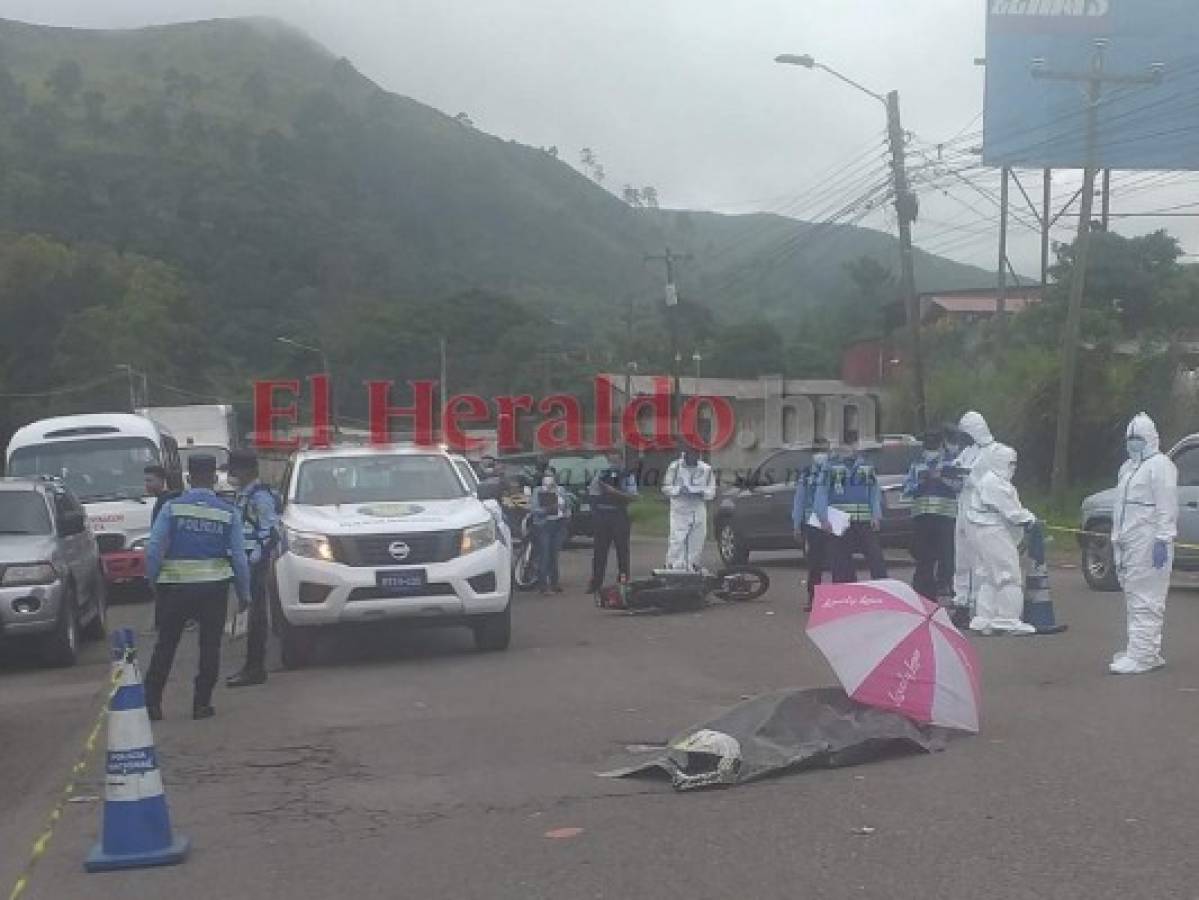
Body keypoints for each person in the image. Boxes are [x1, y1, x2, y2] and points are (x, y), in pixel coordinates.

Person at [143, 454, 250, 721]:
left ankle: (152, 704)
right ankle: (201, 704)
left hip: (175, 588)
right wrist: (244, 593)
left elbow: (154, 548)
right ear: (214, 478)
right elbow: (239, 557)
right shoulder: (228, 512)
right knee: (210, 646)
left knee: (166, 646)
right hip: (213, 589)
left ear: (189, 478)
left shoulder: (172, 508)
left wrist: (153, 580)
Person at [1110, 413, 1178, 675]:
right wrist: (1117, 540)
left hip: (1149, 542)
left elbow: (1166, 505)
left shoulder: (1161, 465)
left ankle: (1144, 655)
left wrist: (1163, 538)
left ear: (1150, 438)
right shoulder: (1127, 469)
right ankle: (1139, 648)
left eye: (1138, 438)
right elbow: (1121, 507)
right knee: (1133, 595)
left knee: (1147, 598)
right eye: (1130, 438)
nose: (1133, 443)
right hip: (1128, 542)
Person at [966, 444, 1036, 636]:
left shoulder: (990, 481)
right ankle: (1008, 618)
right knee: (1008, 574)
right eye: (1010, 463)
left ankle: (985, 617)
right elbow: (1012, 512)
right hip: (992, 530)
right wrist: (1029, 518)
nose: (1013, 468)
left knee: (991, 575)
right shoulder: (995, 483)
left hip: (983, 529)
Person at [226, 449, 281, 688]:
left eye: (235, 469)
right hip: (245, 563)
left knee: (256, 618)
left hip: (254, 565)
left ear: (248, 471)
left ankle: (255, 668)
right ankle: (250, 666)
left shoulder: (260, 497)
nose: (231, 474)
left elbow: (271, 532)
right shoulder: (243, 495)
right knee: (250, 616)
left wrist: (253, 560)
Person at [951, 411, 1001, 616]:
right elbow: (958, 467)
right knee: (961, 558)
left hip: (979, 510)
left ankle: (976, 604)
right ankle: (961, 600)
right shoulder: (968, 451)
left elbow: (992, 482)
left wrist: (968, 477)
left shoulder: (993, 452)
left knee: (976, 560)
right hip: (962, 506)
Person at [903, 430, 961, 601]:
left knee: (946, 556)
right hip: (922, 518)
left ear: (941, 445)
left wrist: (941, 478)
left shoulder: (950, 464)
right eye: (929, 444)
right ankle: (924, 592)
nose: (931, 448)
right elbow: (906, 489)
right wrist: (920, 482)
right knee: (924, 557)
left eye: (934, 444)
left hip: (945, 517)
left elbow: (959, 486)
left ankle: (946, 585)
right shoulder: (917, 464)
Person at [826, 433, 886, 584]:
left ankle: (883, 588)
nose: (848, 448)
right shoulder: (830, 466)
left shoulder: (865, 466)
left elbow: (874, 492)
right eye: (844, 444)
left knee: (875, 556)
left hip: (863, 519)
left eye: (851, 444)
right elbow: (822, 494)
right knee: (840, 561)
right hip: (838, 519)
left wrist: (876, 515)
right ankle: (844, 593)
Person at [586, 449, 638, 592]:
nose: (613, 464)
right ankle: (596, 582)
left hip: (619, 515)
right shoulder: (601, 474)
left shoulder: (627, 476)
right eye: (611, 461)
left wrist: (615, 492)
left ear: (621, 461)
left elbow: (633, 496)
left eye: (616, 461)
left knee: (622, 550)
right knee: (599, 551)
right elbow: (592, 492)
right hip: (602, 515)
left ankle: (623, 580)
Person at [662, 448, 717, 572]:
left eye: (696, 454)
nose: (694, 457)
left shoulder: (706, 469)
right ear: (685, 454)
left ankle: (692, 566)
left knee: (698, 538)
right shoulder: (675, 467)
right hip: (680, 508)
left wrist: (703, 494)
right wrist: (679, 490)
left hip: (698, 507)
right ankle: (672, 566)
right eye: (691, 454)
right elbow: (666, 488)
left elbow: (712, 491)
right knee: (678, 538)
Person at [792, 445, 832, 611]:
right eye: (817, 452)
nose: (820, 456)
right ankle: (813, 598)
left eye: (823, 452)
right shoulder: (807, 473)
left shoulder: (834, 470)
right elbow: (799, 499)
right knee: (815, 563)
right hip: (812, 523)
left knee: (837, 561)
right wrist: (796, 524)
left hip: (833, 521)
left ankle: (838, 598)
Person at [143, 464, 181, 634]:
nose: (147, 484)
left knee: (164, 590)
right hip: (167, 554)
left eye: (150, 480)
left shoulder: (166, 501)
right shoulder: (163, 500)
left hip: (167, 555)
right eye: (145, 480)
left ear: (162, 480)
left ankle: (163, 626)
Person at [529, 468, 571, 594]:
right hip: (544, 525)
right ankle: (543, 585)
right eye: (546, 476)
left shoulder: (561, 490)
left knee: (554, 554)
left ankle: (554, 582)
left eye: (551, 476)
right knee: (545, 554)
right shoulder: (538, 491)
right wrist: (547, 509)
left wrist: (566, 511)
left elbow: (567, 504)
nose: (549, 478)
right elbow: (534, 509)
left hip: (558, 524)